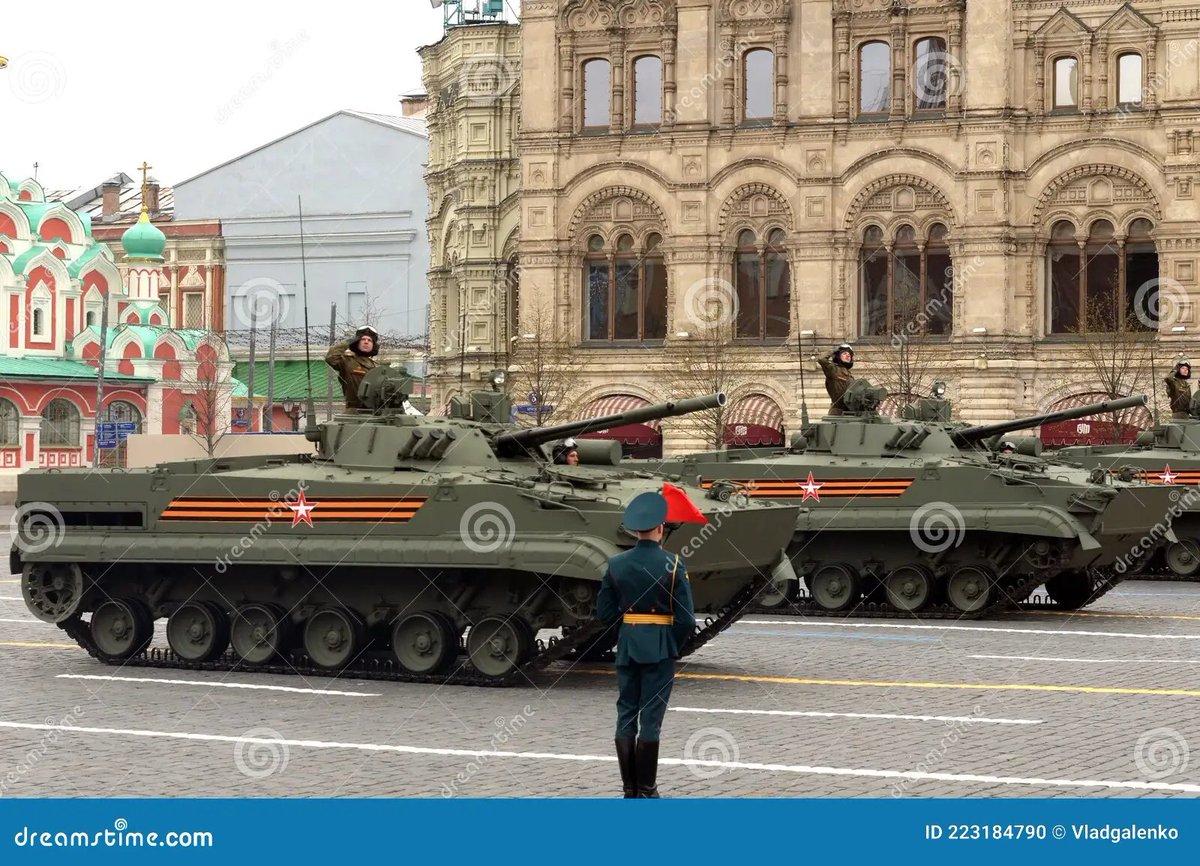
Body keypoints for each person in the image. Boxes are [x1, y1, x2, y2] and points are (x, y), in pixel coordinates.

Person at [596, 491, 695, 798]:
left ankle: (629, 788)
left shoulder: (616, 564)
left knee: (626, 713)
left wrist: (626, 634)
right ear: (661, 528)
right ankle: (647, 789)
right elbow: (686, 621)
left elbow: (605, 614)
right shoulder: (674, 565)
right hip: (660, 649)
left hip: (628, 645)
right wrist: (670, 644)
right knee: (651, 716)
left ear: (635, 530)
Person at [325, 326, 380, 410]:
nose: (366, 342)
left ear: (373, 345)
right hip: (354, 411)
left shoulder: (376, 366)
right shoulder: (347, 361)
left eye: (370, 340)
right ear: (357, 342)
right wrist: (350, 341)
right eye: (363, 339)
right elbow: (331, 357)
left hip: (376, 411)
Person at [817, 343, 856, 416]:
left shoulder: (850, 376)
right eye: (844, 353)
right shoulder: (833, 369)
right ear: (838, 355)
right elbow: (821, 359)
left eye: (849, 355)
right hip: (837, 412)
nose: (848, 355)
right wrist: (834, 351)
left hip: (849, 412)